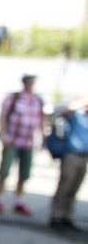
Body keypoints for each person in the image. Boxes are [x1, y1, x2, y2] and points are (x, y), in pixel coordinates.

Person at [0, 74, 45, 215]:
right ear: (23, 83)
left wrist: (42, 138)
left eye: (32, 82)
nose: (30, 85)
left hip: (28, 142)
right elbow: (3, 115)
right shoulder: (13, 98)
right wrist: (3, 133)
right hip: (12, 140)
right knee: (4, 171)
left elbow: (41, 119)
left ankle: (19, 201)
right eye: (28, 82)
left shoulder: (37, 100)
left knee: (24, 174)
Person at [50, 96, 88, 232]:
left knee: (74, 188)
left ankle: (66, 216)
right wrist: (80, 103)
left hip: (84, 156)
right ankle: (56, 216)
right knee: (65, 185)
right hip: (71, 154)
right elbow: (59, 111)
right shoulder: (75, 114)